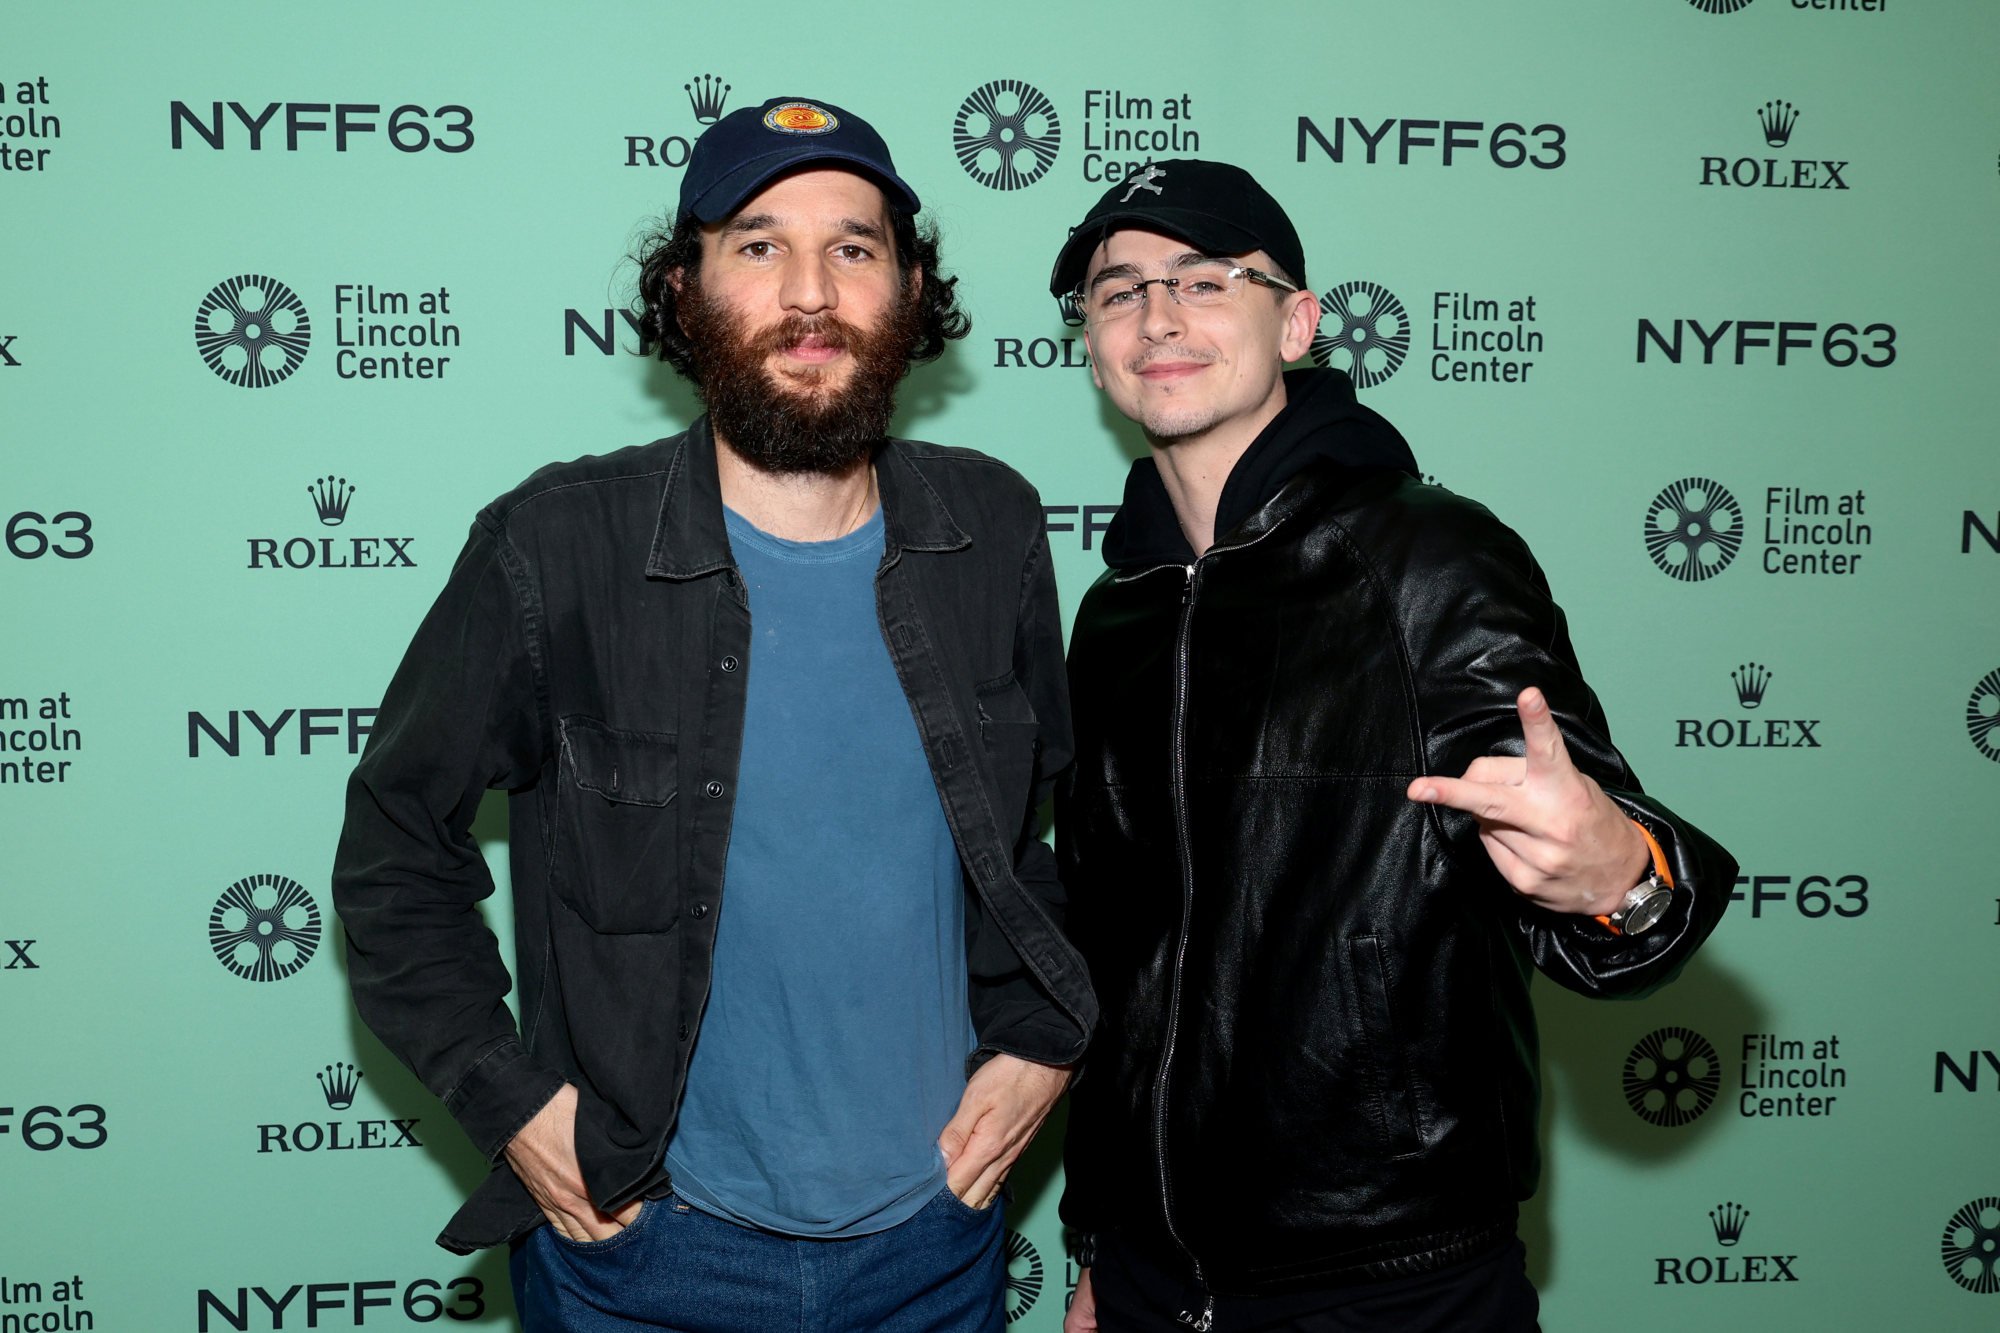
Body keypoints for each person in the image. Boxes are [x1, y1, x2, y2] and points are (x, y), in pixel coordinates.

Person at [333, 96, 1091, 1333]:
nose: (809, 291)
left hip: (934, 1248)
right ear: (685, 293)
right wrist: (512, 1102)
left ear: (906, 291)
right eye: (756, 245)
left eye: (853, 248)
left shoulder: (991, 531)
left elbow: (1037, 840)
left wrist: (1043, 1040)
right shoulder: (557, 546)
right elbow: (390, 848)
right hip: (643, 1252)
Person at [1047, 160, 1735, 1332]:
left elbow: (1614, 878)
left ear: (1297, 323)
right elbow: (1117, 955)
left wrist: (1618, 877)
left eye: (1203, 280)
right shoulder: (1114, 610)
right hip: (1154, 1281)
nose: (1155, 316)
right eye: (1117, 292)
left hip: (1391, 1285)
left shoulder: (1426, 558)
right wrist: (1099, 1246)